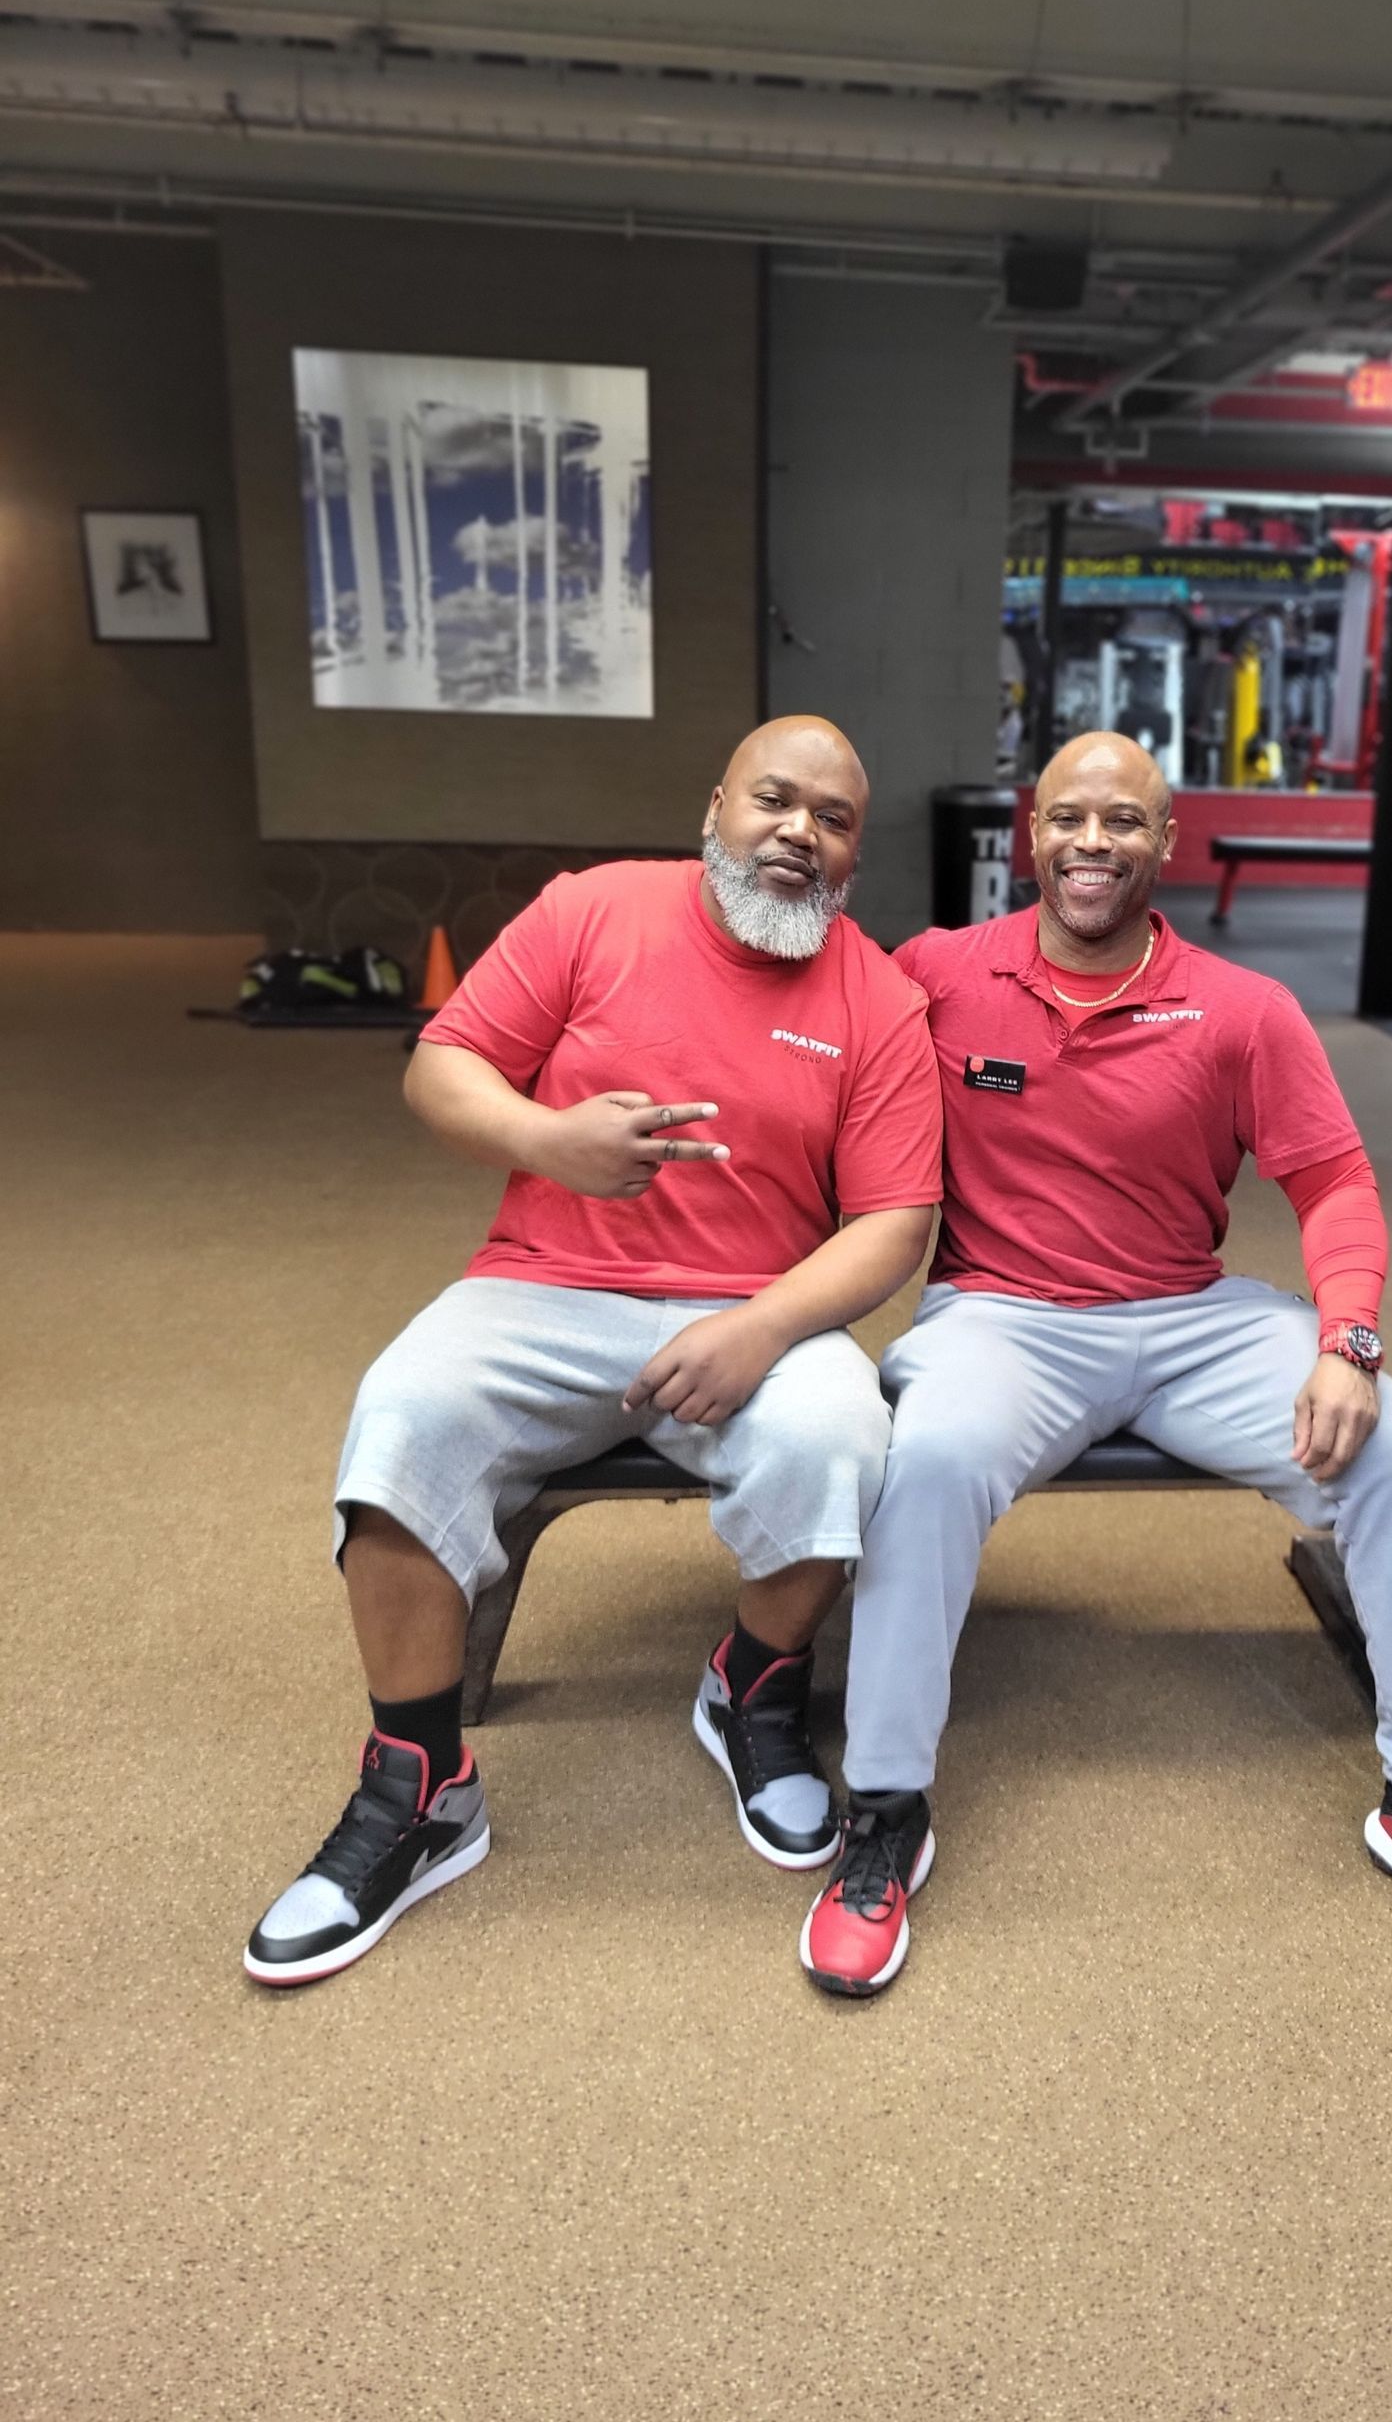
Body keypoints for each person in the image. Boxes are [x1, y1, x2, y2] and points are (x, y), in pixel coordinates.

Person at [798, 730, 1392, 1998]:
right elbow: (801, 1026)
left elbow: (1334, 1181)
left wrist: (1348, 1343)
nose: (1091, 845)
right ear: (1030, 830)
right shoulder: (938, 972)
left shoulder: (1241, 1008)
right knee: (928, 1455)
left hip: (1192, 1315)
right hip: (1005, 1317)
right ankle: (885, 1809)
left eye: (1123, 823)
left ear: (1166, 842)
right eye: (1069, 820)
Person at [246, 718, 943, 1987]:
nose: (799, 832)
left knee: (839, 1428)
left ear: (854, 855)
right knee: (404, 1408)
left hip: (756, 1306)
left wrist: (763, 1326)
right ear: (715, 808)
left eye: (833, 819)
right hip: (544, 1286)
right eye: (774, 801)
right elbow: (442, 1063)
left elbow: (897, 1218)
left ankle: (756, 1687)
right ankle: (420, 1784)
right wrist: (549, 1140)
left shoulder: (878, 996)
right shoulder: (595, 911)